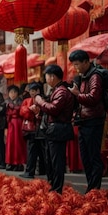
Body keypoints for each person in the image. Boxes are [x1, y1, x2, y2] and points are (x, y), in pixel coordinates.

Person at [69, 49, 106, 192]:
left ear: (86, 62)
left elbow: (93, 98)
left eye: (78, 64)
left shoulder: (95, 76)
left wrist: (77, 94)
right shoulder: (84, 76)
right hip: (84, 121)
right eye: (74, 65)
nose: (76, 68)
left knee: (93, 156)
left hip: (94, 120)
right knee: (85, 157)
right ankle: (91, 187)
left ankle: (94, 189)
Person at [35, 65, 76, 194]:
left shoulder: (62, 91)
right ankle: (54, 186)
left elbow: (54, 109)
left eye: (46, 76)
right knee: (51, 160)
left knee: (56, 161)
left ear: (52, 76)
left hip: (59, 129)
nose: (45, 78)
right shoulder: (57, 90)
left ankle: (57, 189)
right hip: (54, 129)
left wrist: (40, 102)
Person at [19, 82, 46, 178]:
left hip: (37, 129)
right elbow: (22, 112)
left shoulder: (41, 100)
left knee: (34, 151)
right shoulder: (28, 100)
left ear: (38, 91)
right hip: (33, 129)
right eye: (31, 91)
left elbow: (25, 112)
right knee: (37, 150)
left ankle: (30, 171)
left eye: (34, 91)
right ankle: (39, 170)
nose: (32, 93)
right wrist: (30, 110)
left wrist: (29, 110)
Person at [5, 85, 26, 171]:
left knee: (18, 143)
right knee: (10, 143)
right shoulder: (6, 102)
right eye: (11, 92)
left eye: (14, 92)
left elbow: (22, 112)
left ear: (17, 93)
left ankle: (19, 163)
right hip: (11, 124)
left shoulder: (21, 102)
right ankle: (10, 162)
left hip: (18, 123)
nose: (12, 94)